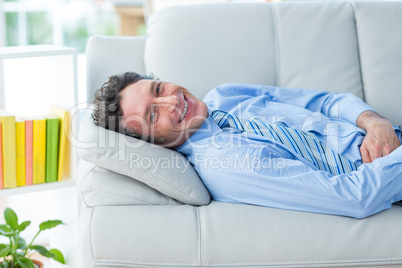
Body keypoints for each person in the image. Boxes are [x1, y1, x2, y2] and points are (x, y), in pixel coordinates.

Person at [92, 72, 402, 219]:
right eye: (152, 114)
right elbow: (354, 197)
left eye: (158, 88)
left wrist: (375, 122)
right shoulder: (225, 165)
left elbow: (326, 102)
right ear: (153, 143)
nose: (172, 100)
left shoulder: (225, 95)